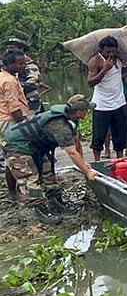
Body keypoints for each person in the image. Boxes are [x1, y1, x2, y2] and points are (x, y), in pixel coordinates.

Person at [4, 95, 97, 224]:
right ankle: (41, 209)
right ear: (79, 112)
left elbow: (75, 143)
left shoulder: (70, 119)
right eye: (86, 110)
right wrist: (87, 172)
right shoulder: (59, 125)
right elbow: (71, 152)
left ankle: (56, 202)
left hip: (35, 147)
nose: (87, 112)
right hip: (17, 147)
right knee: (31, 178)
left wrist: (84, 165)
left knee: (48, 173)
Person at [87, 36, 127, 162]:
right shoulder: (96, 61)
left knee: (120, 135)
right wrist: (104, 70)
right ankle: (97, 162)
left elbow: (119, 74)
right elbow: (90, 82)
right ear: (102, 50)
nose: (111, 54)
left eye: (113, 51)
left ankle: (120, 160)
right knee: (99, 135)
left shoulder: (119, 60)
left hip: (119, 103)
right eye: (108, 52)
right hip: (102, 105)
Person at [0, 50, 30, 197]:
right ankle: (17, 191)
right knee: (16, 156)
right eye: (20, 63)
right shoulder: (10, 81)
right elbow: (14, 107)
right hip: (11, 121)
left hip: (5, 120)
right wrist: (24, 125)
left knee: (9, 158)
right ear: (9, 64)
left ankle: (13, 191)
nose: (23, 66)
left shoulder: (7, 77)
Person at [5, 38, 46, 112]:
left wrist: (13, 87)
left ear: (21, 49)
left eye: (12, 48)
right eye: (7, 48)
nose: (9, 51)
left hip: (30, 103)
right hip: (14, 103)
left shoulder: (30, 65)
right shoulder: (7, 63)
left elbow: (32, 83)